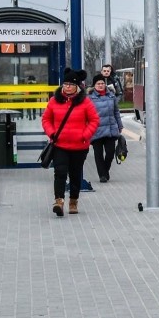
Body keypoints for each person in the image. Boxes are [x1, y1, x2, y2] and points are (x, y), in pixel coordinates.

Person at [42, 68, 99, 217]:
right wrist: (51, 133)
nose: (67, 87)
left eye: (70, 84)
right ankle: (59, 201)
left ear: (77, 86)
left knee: (75, 174)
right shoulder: (54, 101)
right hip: (60, 144)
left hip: (79, 146)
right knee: (60, 172)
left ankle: (73, 201)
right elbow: (46, 119)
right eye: (65, 84)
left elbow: (94, 120)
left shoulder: (85, 102)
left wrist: (85, 135)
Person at [87, 73, 123, 183]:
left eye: (102, 83)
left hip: (110, 129)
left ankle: (105, 171)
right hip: (95, 130)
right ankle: (102, 175)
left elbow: (116, 112)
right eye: (98, 83)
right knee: (98, 154)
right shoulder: (89, 98)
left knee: (110, 152)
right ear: (94, 85)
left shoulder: (111, 96)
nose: (101, 85)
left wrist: (120, 125)